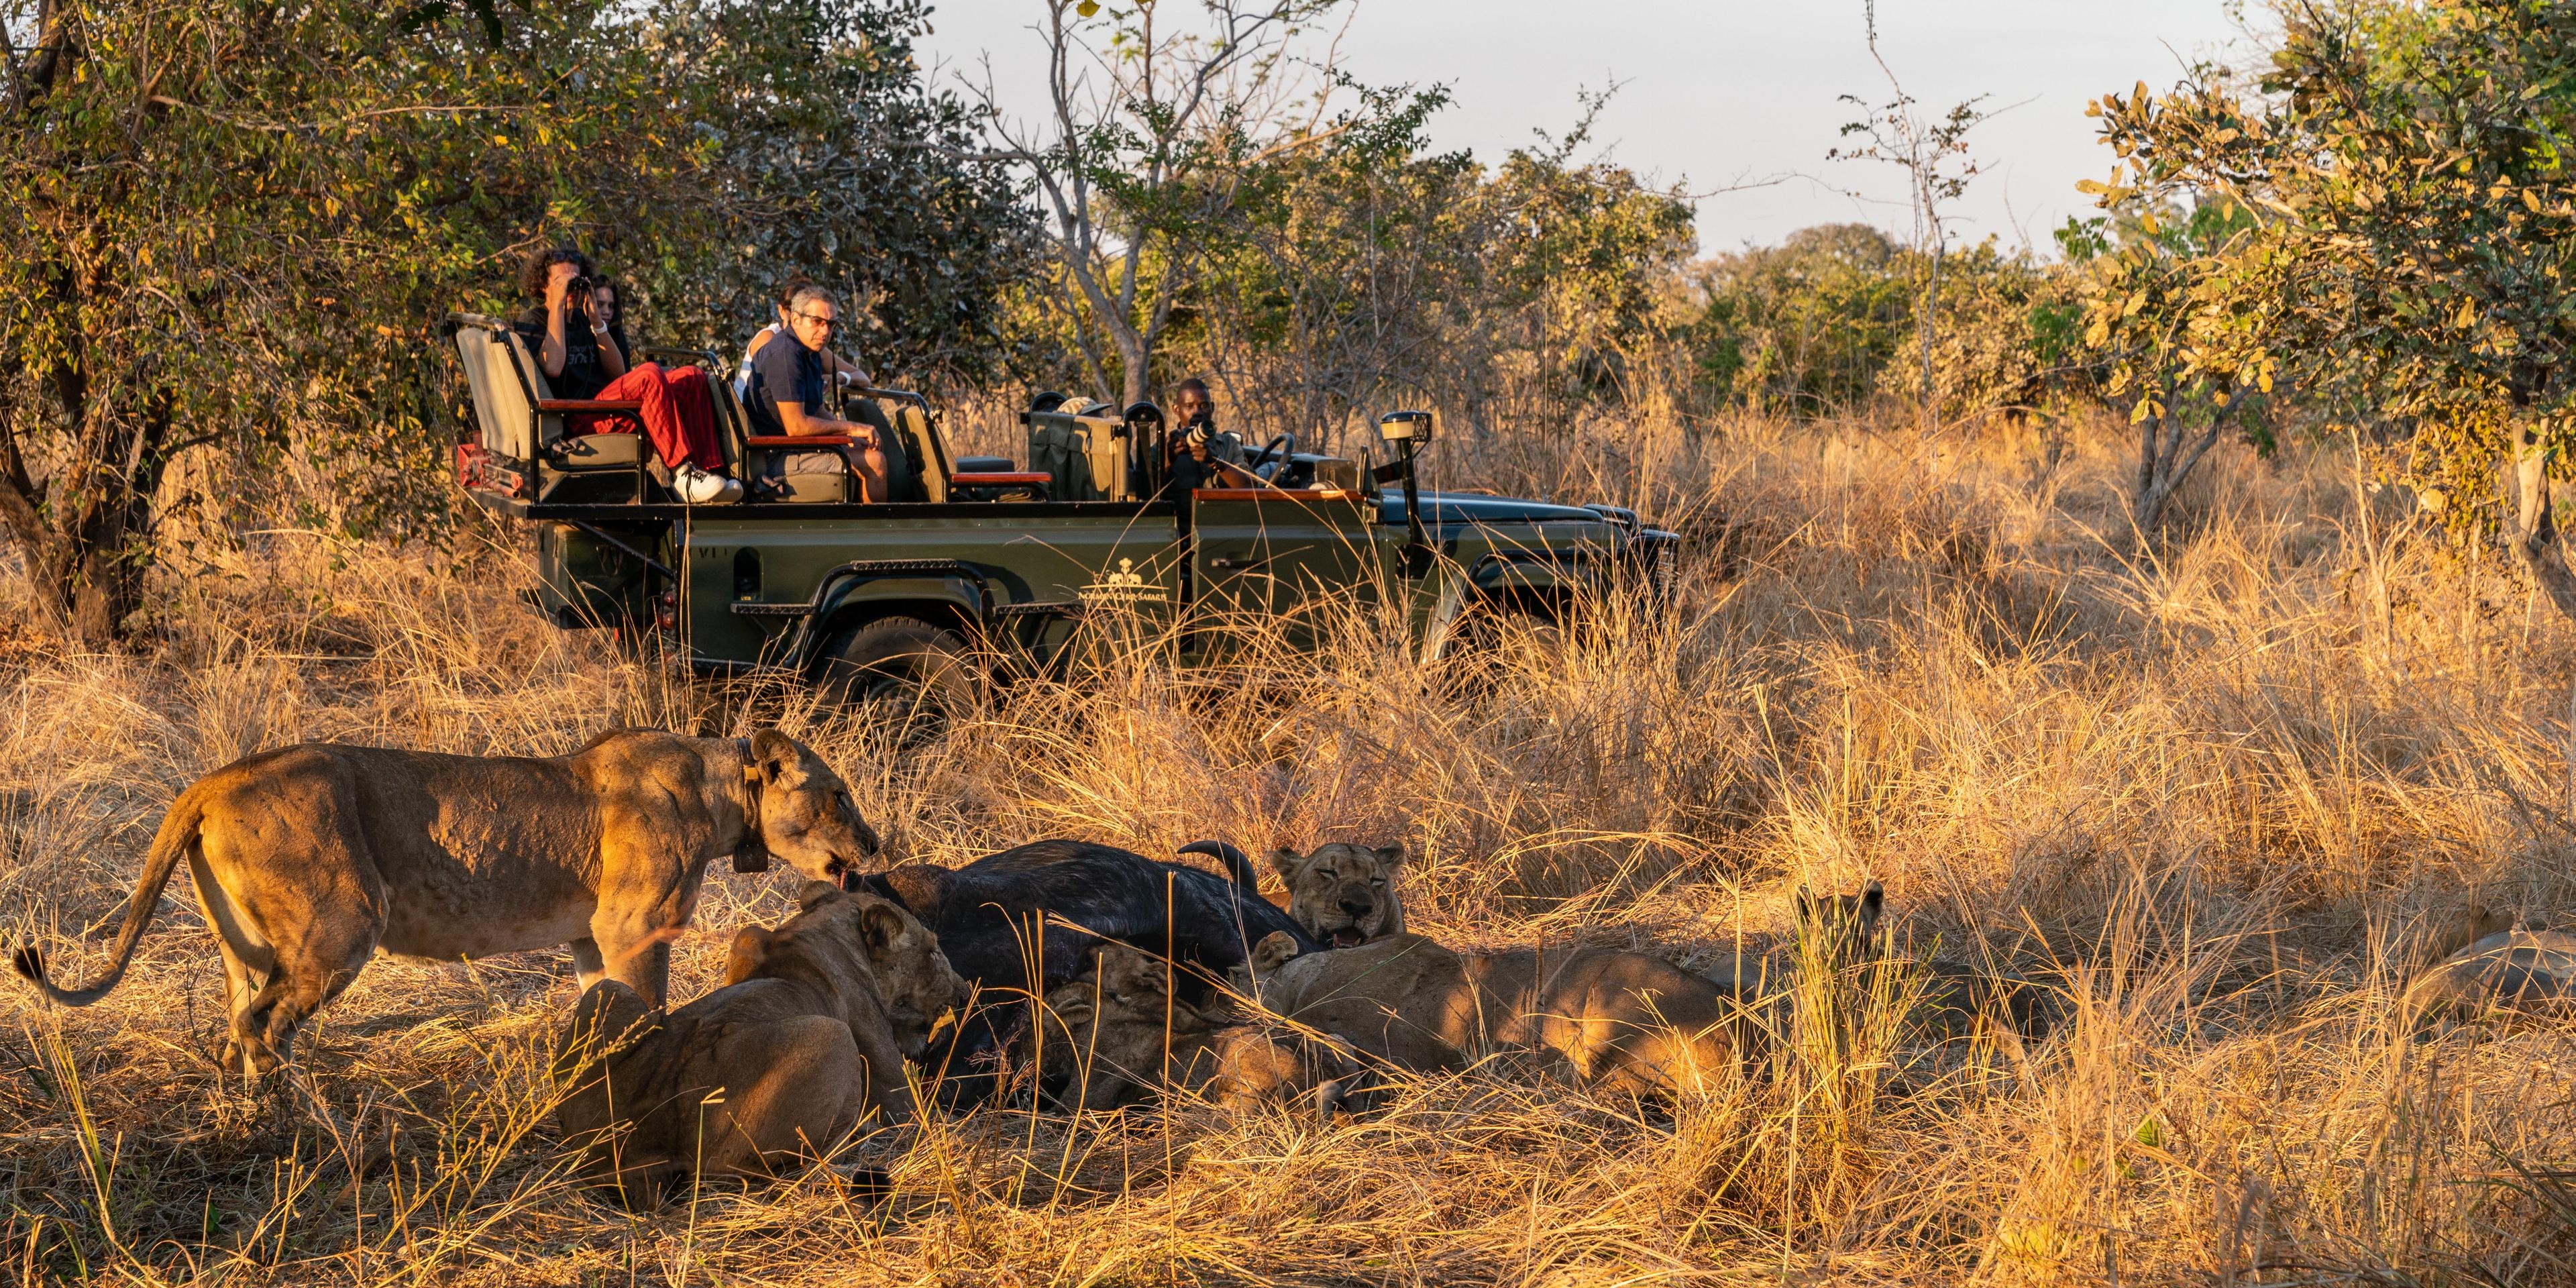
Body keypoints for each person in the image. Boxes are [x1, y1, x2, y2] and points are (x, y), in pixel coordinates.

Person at [513, 247, 741, 504]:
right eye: (561, 282)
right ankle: (682, 472)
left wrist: (596, 322)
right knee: (648, 375)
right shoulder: (532, 319)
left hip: (605, 410)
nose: (571, 290)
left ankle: (709, 471)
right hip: (576, 418)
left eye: (575, 282)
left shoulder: (583, 319)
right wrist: (557, 303)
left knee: (692, 376)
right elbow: (552, 367)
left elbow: (618, 373)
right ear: (543, 285)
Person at [743, 284, 908, 502]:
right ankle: (873, 534)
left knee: (866, 449)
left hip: (793, 448)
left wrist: (848, 439)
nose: (825, 331)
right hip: (775, 457)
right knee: (874, 463)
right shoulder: (786, 354)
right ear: (795, 319)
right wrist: (852, 428)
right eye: (817, 322)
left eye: (831, 324)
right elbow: (797, 427)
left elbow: (817, 410)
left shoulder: (809, 352)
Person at [737, 275, 871, 402]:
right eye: (815, 320)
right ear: (783, 312)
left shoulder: (811, 346)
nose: (824, 330)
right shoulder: (772, 341)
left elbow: (862, 378)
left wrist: (839, 378)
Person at [1157, 376, 1258, 498]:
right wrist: (1166, 463)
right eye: (1189, 406)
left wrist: (1216, 461)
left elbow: (1251, 487)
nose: (1197, 412)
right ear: (1177, 410)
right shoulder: (1165, 447)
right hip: (1182, 517)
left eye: (1204, 406)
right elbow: (1145, 494)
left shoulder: (1228, 444)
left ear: (1212, 407)